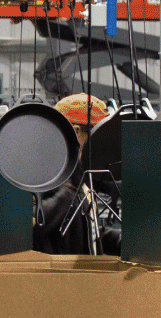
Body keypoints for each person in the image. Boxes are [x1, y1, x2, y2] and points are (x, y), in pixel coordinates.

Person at [33, 93, 119, 255]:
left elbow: (86, 232)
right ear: (76, 132)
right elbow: (31, 229)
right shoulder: (44, 177)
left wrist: (117, 240)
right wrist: (70, 189)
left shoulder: (78, 173)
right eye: (98, 136)